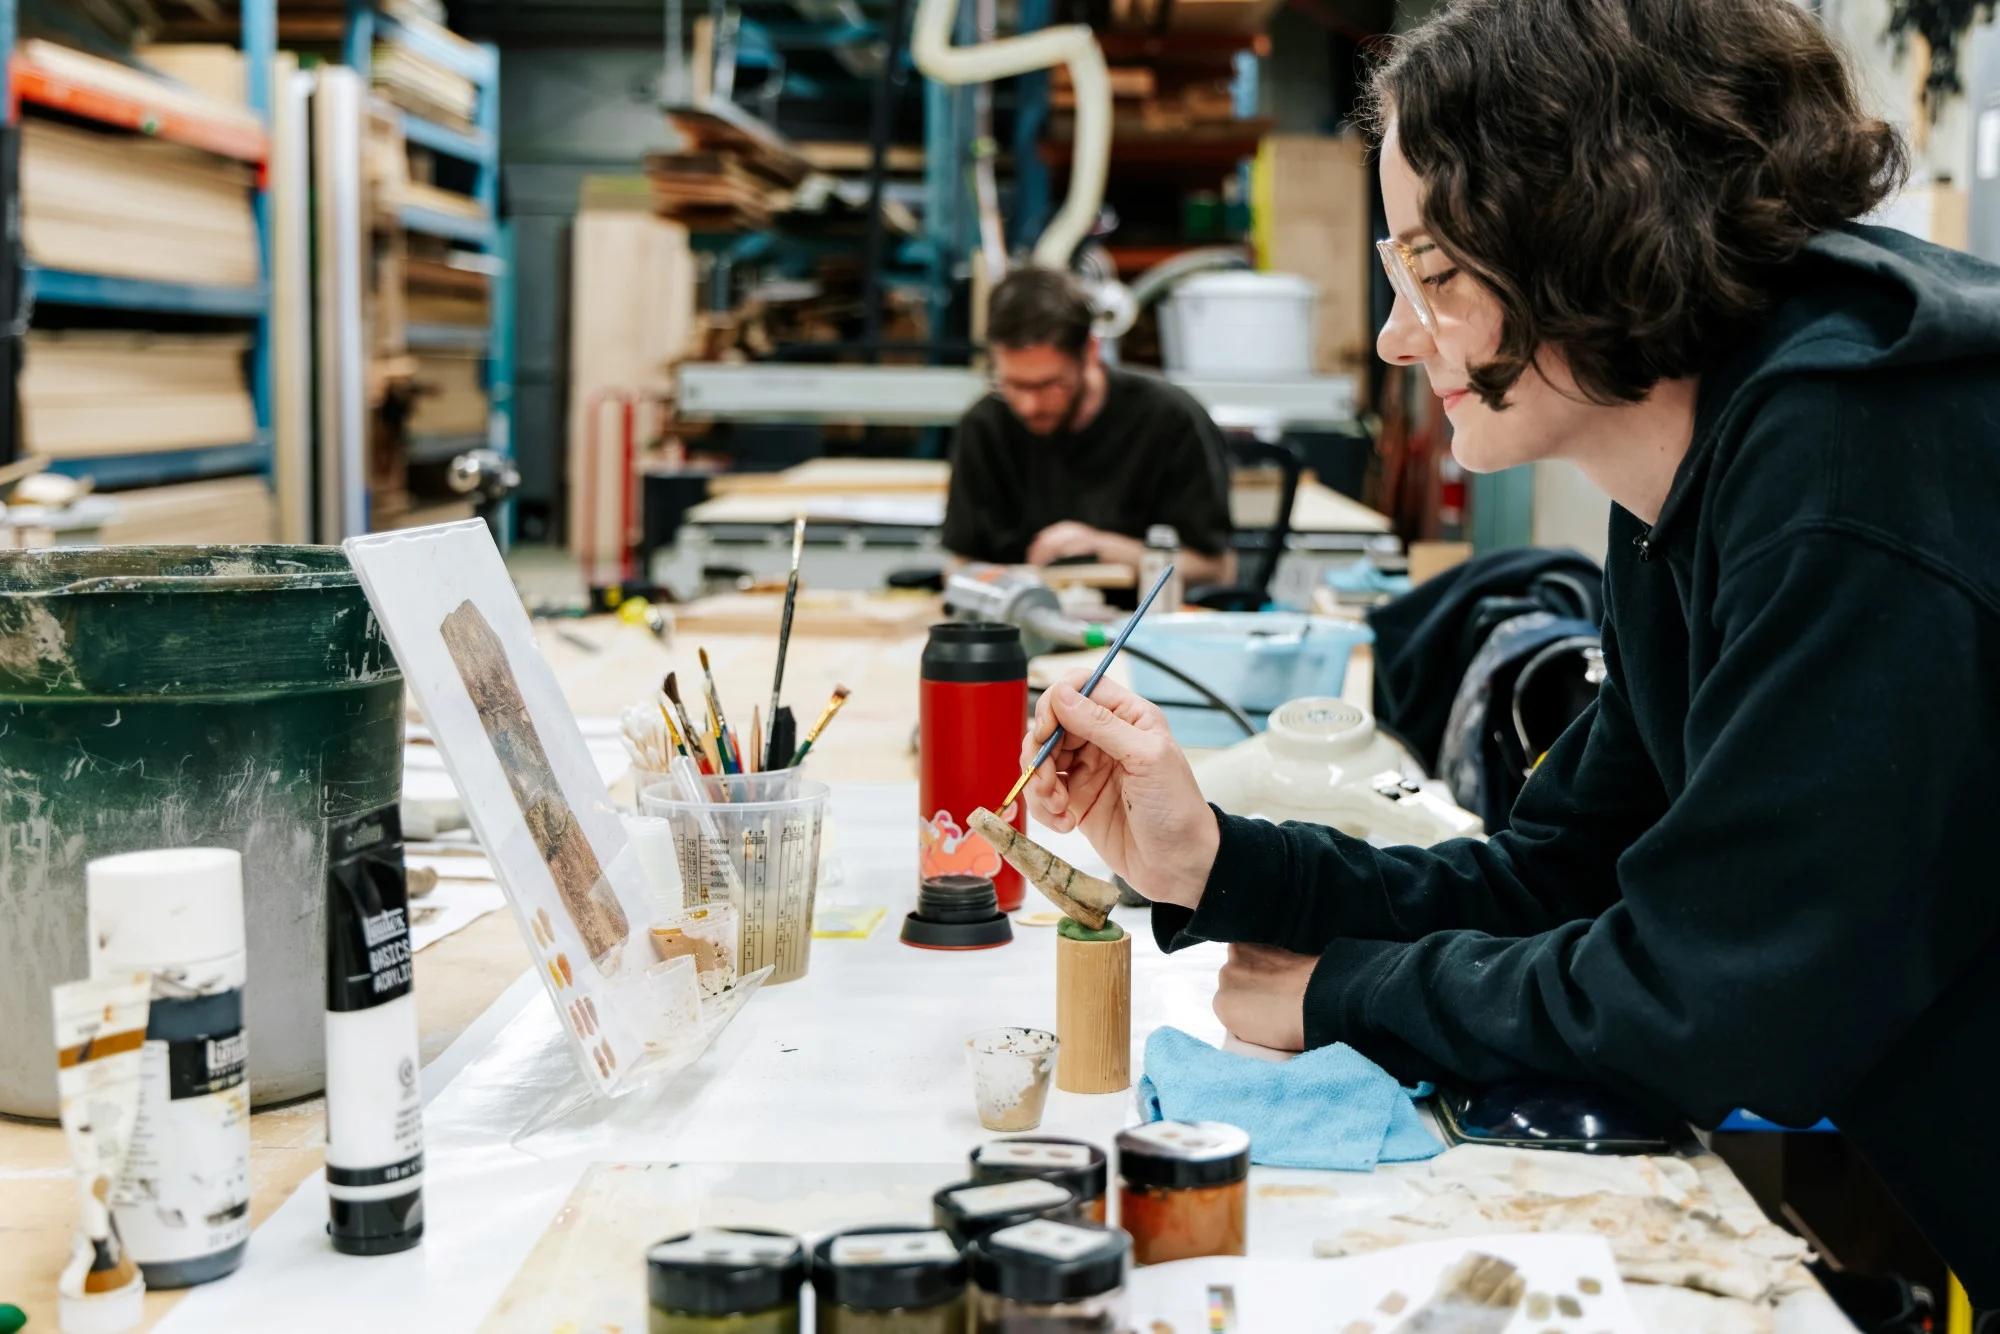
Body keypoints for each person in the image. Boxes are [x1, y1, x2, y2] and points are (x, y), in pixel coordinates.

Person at [1019, 0, 2000, 1297]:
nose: (1393, 334)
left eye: (1436, 274)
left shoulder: (1846, 461)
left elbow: (1721, 999)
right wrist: (1214, 860)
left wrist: (1349, 992)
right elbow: (1565, 878)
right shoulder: (1705, 472)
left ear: (1590, 243)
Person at [941, 266, 1235, 587]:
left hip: (1138, 628)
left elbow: (1217, 569)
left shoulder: (1170, 421)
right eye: (1012, 384)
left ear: (1091, 352)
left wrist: (1103, 548)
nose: (1030, 405)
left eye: (1050, 384)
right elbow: (961, 563)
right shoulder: (985, 427)